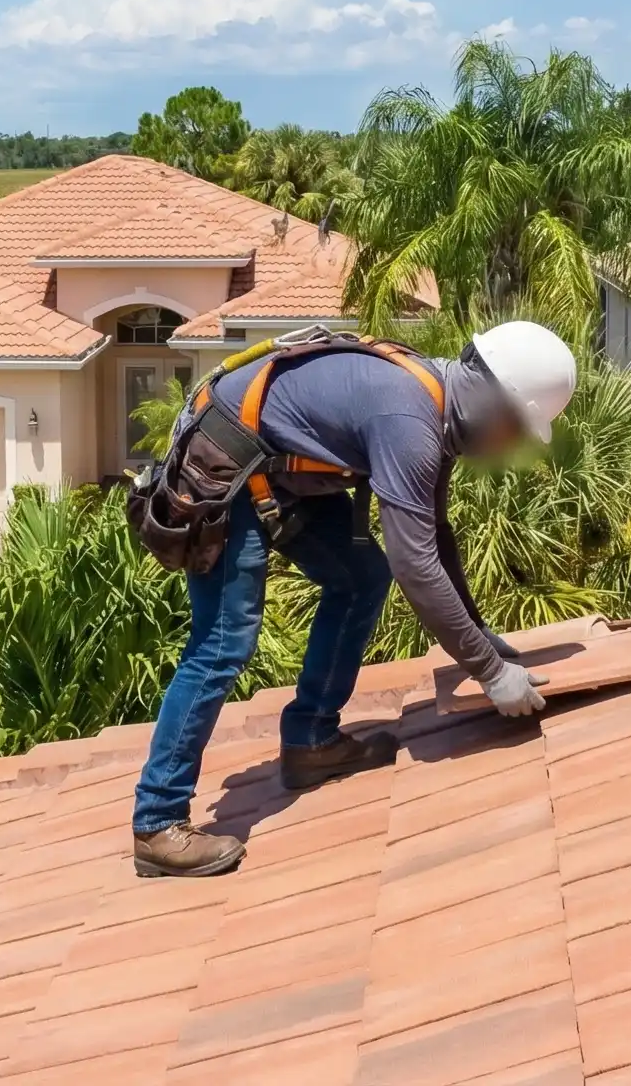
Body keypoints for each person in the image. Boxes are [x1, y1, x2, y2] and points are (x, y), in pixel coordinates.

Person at [130, 320, 579, 877]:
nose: (508, 446)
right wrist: (489, 672)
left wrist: (478, 634)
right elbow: (416, 565)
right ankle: (157, 821)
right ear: (496, 405)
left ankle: (311, 741)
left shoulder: (432, 406)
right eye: (516, 430)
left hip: (273, 467)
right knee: (224, 641)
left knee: (362, 575)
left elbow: (434, 535)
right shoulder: (408, 420)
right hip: (224, 461)